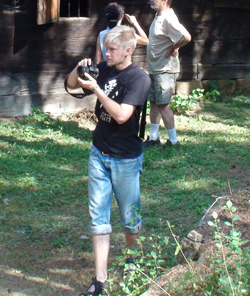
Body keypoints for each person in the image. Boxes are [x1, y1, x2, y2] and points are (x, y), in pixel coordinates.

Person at [65, 25, 150, 296]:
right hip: (99, 153)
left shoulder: (139, 79)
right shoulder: (104, 69)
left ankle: (134, 261)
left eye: (111, 49)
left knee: (129, 216)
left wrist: (98, 90)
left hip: (125, 158)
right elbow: (70, 87)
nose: (106, 52)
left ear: (127, 50)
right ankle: (99, 281)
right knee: (98, 215)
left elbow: (123, 116)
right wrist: (79, 71)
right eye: (105, 47)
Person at [144, 0, 191, 149]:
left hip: (165, 70)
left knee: (163, 104)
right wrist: (174, 44)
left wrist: (174, 47)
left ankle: (173, 141)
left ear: (165, 1)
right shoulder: (159, 16)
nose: (151, 0)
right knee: (155, 103)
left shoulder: (168, 18)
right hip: (156, 68)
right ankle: (153, 138)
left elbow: (186, 37)